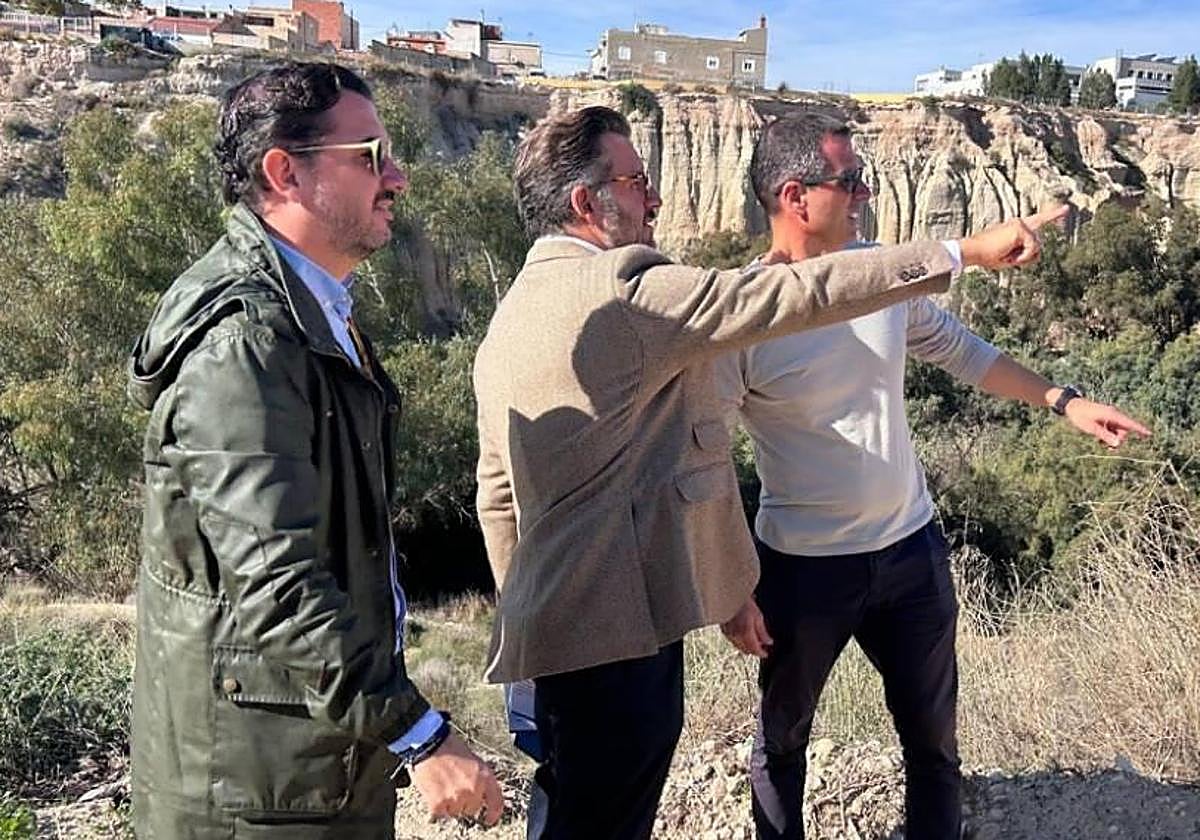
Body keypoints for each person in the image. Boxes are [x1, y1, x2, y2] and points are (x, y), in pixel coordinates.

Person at [471, 104, 1065, 840]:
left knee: (568, 809)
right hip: (620, 635)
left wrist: (528, 618)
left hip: (548, 635)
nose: (654, 198)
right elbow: (795, 294)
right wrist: (963, 251)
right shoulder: (622, 286)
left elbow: (497, 494)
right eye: (637, 182)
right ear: (585, 203)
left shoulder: (510, 317)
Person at [713, 113, 1151, 840]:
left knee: (934, 750)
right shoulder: (746, 317)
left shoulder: (881, 276)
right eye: (850, 180)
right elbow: (705, 460)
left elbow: (962, 350)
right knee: (782, 745)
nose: (865, 193)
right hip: (802, 571)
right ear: (794, 197)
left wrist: (1064, 400)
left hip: (910, 556)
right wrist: (730, 587)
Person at [127, 62, 503, 838]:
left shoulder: (310, 312)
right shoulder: (245, 344)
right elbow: (278, 583)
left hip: (306, 769)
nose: (396, 178)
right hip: (255, 797)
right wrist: (418, 734)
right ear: (283, 172)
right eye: (370, 156)